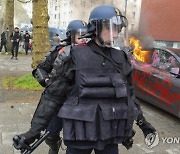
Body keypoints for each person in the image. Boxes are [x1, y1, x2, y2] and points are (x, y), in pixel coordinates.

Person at [13, 5, 156, 154]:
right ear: (95, 28)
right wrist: (33, 132)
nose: (115, 33)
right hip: (79, 136)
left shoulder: (121, 58)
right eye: (110, 27)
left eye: (118, 28)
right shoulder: (73, 55)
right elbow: (52, 98)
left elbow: (129, 97)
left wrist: (144, 124)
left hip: (109, 135)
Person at [31, 20, 88, 154]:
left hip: (78, 104)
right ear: (71, 35)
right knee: (50, 135)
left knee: (74, 139)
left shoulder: (91, 53)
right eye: (80, 35)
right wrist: (46, 81)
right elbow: (39, 69)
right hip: (57, 101)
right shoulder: (58, 51)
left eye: (86, 35)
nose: (84, 38)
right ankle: (54, 145)